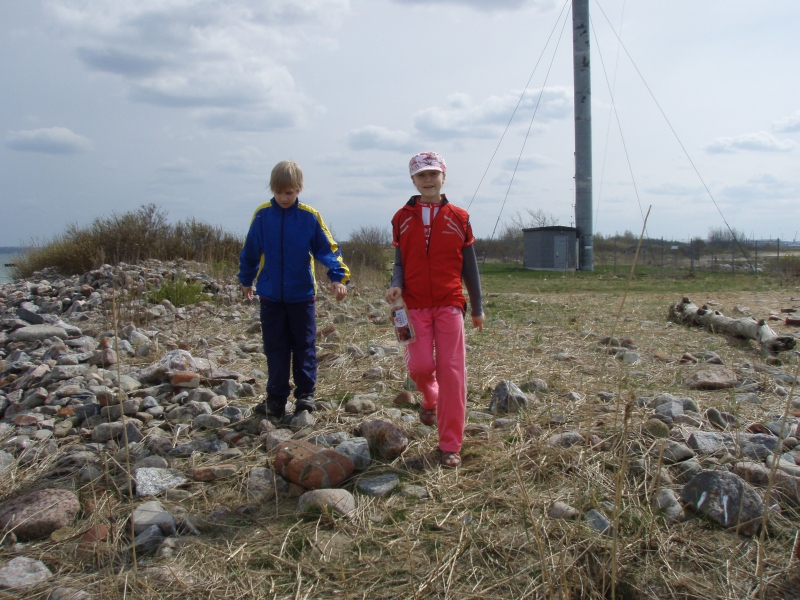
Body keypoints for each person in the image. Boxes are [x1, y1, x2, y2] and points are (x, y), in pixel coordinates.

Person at [386, 151, 484, 468]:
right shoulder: (401, 218)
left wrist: (477, 307)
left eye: (433, 174)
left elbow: (470, 267)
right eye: (421, 175)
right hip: (413, 305)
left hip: (450, 303)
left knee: (452, 374)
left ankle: (450, 445)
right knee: (419, 367)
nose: (428, 180)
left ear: (443, 177)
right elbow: (400, 263)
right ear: (413, 180)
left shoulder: (460, 217)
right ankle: (430, 396)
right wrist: (396, 284)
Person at [239, 160, 349, 420]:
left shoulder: (309, 216)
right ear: (272, 189)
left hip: (302, 296)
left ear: (299, 188)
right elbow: (251, 250)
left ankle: (305, 396)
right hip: (271, 296)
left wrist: (338, 277)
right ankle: (276, 399)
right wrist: (246, 279)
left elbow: (327, 248)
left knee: (304, 346)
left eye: (289, 192)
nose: (284, 198)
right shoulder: (262, 215)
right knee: (275, 347)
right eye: (278, 192)